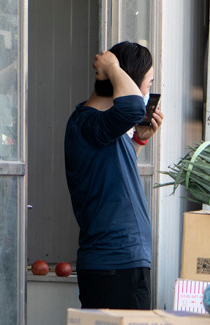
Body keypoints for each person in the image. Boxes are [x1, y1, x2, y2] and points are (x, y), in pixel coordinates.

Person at [65, 42, 164, 310]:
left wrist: (138, 142)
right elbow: (133, 109)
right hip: (116, 264)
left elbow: (112, 171)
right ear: (127, 82)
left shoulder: (100, 126)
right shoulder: (89, 122)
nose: (147, 93)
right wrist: (112, 68)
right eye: (148, 83)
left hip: (119, 264)